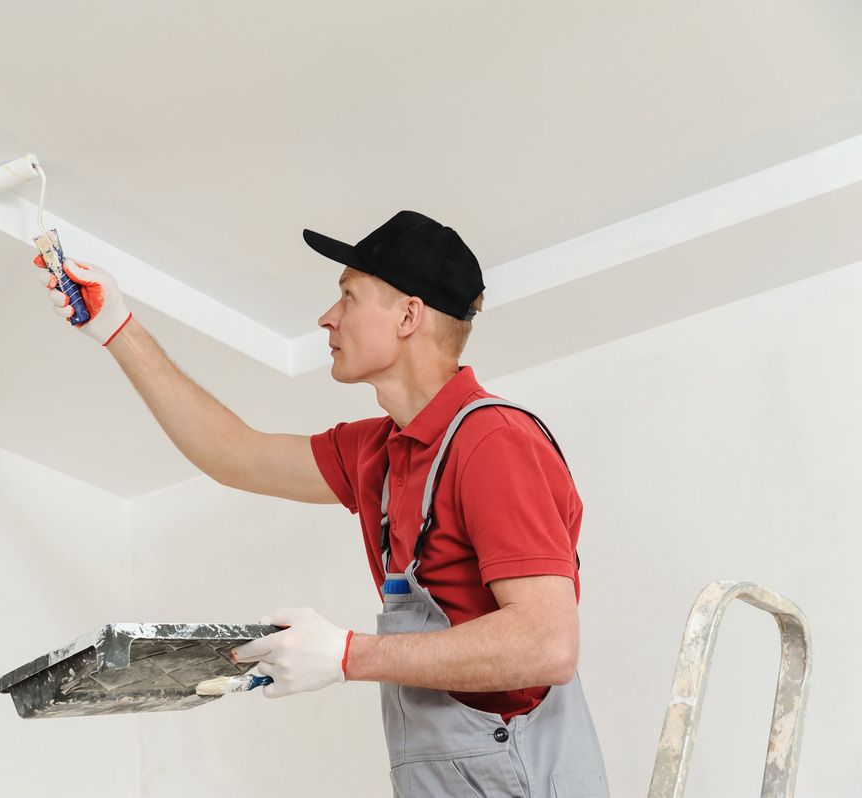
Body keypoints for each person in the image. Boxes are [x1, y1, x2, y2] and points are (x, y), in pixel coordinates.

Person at [33, 210, 608, 798]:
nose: (327, 317)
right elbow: (235, 454)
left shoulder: (493, 442)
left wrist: (346, 655)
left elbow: (547, 643)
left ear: (409, 315)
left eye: (348, 296)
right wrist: (117, 326)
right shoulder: (379, 452)